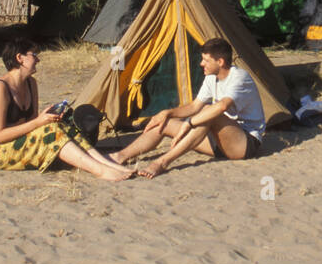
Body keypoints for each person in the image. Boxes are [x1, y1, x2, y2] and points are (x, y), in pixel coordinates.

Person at [0, 38, 132, 181]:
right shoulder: (0, 88)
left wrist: (47, 117)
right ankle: (99, 170)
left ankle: (108, 164)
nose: (38, 59)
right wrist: (39, 122)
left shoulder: (31, 84)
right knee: (51, 131)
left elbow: (31, 123)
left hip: (16, 141)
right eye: (34, 55)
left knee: (59, 126)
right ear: (20, 58)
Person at [112, 38, 265, 179]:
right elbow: (194, 106)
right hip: (217, 141)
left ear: (220, 61)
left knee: (210, 112)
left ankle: (162, 162)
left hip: (244, 143)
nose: (201, 64)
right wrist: (167, 113)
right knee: (165, 123)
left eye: (206, 60)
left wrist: (189, 123)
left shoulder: (239, 77)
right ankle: (120, 156)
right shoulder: (211, 78)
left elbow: (222, 106)